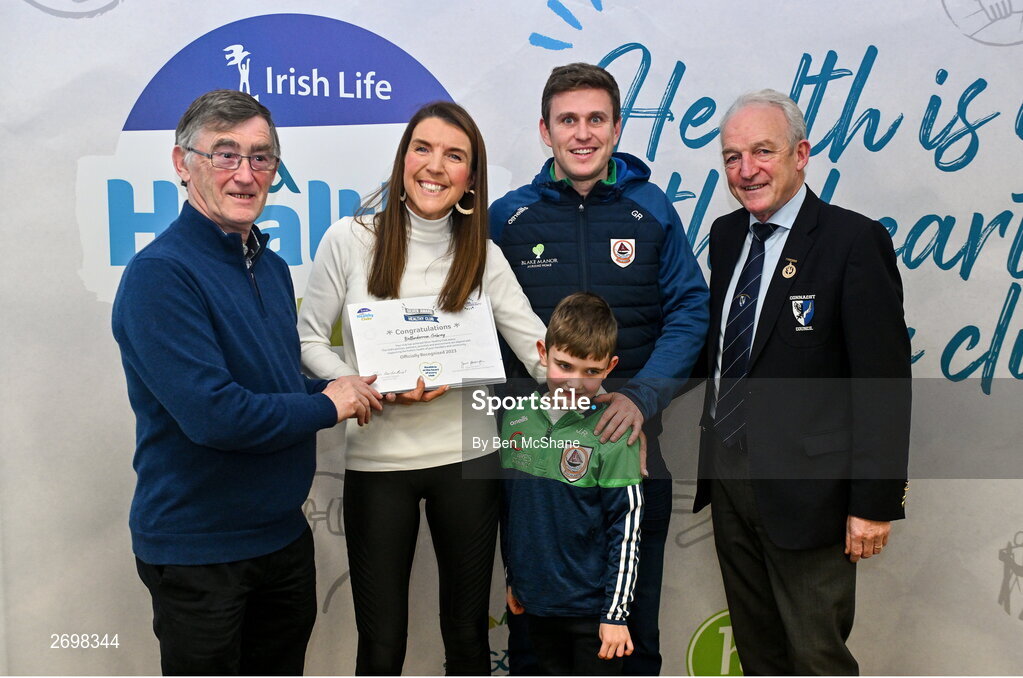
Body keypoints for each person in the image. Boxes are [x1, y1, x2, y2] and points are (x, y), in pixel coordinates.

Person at [111, 89, 383, 675]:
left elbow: (276, 388)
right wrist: (329, 405)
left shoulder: (272, 266)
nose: (245, 173)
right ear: (182, 164)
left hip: (281, 541)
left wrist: (353, 390)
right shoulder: (161, 276)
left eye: (262, 158)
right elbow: (217, 415)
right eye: (225, 155)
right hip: (200, 554)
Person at [296, 101, 547, 676]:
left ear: (470, 177)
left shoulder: (481, 252)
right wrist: (360, 385)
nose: (435, 166)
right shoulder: (350, 239)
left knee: (466, 638)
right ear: (403, 157)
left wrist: (595, 392)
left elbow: (538, 349)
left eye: (454, 155)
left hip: (468, 459)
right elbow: (309, 340)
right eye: (423, 148)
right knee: (381, 645)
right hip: (377, 464)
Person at [489, 62, 709, 675]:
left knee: (630, 640)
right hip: (535, 463)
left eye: (595, 119)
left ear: (615, 128)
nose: (582, 133)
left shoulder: (652, 209)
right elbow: (469, 314)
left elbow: (691, 309)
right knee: (535, 640)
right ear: (545, 130)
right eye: (568, 120)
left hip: (628, 448)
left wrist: (641, 397)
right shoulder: (508, 219)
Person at [693, 89, 912, 675]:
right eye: (733, 157)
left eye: (762, 151)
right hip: (730, 474)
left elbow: (883, 383)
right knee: (759, 650)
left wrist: (874, 501)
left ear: (801, 154)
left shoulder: (852, 242)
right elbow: (716, 348)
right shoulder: (725, 235)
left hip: (813, 491)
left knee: (816, 656)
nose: (747, 170)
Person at [501, 292, 643, 676]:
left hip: (592, 616)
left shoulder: (614, 434)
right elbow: (513, 512)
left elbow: (626, 531)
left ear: (610, 367)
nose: (575, 383)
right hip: (532, 606)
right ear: (542, 352)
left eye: (591, 371)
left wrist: (614, 614)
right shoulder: (515, 420)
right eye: (564, 365)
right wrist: (515, 578)